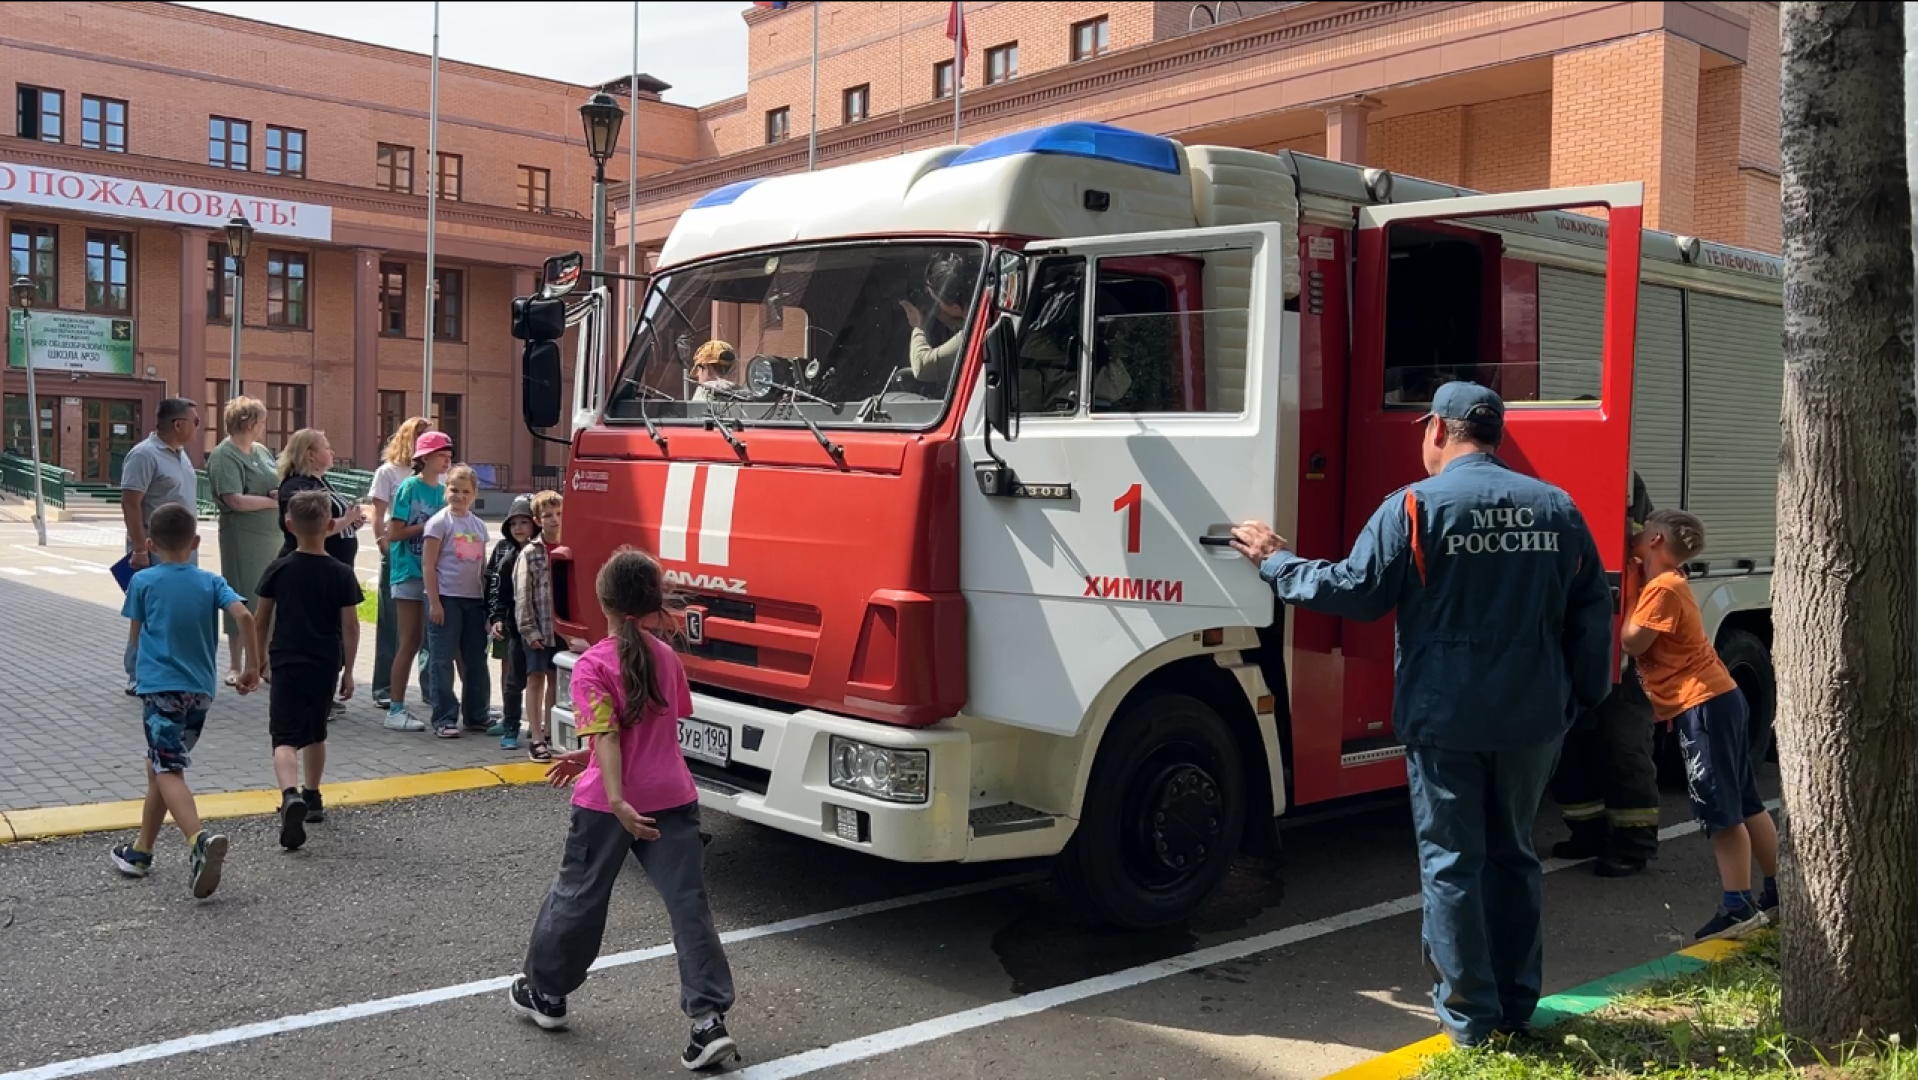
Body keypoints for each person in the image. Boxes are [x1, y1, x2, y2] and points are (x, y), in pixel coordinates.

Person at [1228, 381, 1613, 1047]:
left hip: (1446, 719)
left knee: (1452, 862)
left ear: (1438, 430)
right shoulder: (1556, 507)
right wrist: (1580, 699)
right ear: (1492, 435)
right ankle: (1519, 1007)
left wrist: (1276, 562)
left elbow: (1354, 591)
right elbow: (1592, 615)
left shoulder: (1412, 507)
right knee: (1513, 855)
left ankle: (1470, 1021)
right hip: (1533, 720)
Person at [509, 548, 739, 1072]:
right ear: (652, 601)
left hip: (608, 805)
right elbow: (652, 730)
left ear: (603, 600)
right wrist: (587, 753)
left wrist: (616, 799)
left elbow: (612, 739)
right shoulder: (666, 657)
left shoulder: (593, 665)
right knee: (689, 907)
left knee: (578, 897)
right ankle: (707, 1022)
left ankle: (546, 993)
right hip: (673, 800)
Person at [1621, 509, 1780, 941]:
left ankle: (1737, 905)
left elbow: (1632, 640)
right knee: (1745, 798)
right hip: (1719, 699)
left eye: (1642, 529)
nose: (1634, 534)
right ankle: (1778, 889)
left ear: (1656, 541)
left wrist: (1630, 591)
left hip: (1704, 705)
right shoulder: (1669, 583)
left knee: (1720, 807)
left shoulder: (1664, 588)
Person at [111, 503, 260, 898]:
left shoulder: (143, 582)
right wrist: (253, 667)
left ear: (150, 544)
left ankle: (198, 841)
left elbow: (135, 637)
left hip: (161, 688)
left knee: (167, 769)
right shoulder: (210, 581)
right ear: (195, 542)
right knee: (159, 765)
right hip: (200, 692)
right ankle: (141, 851)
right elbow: (245, 617)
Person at [1549, 473, 1662, 876]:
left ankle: (1634, 844)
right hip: (1572, 635)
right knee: (1570, 743)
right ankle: (1587, 830)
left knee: (1622, 743)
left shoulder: (1622, 481)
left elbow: (1643, 546)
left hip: (1621, 639)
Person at [255, 490, 364, 851]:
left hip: (286, 658)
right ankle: (313, 796)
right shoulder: (342, 573)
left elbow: (261, 619)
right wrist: (349, 670)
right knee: (316, 732)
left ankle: (289, 795)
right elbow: (350, 626)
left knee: (284, 736)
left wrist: (259, 659)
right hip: (325, 661)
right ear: (331, 526)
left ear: (289, 525)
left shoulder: (279, 567)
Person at [119, 397, 203, 695]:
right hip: (154, 550)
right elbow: (131, 503)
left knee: (176, 611)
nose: (198, 427)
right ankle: (138, 674)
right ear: (177, 424)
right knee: (147, 612)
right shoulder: (144, 455)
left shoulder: (181, 455)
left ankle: (170, 671)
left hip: (184, 550)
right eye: (195, 421)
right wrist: (140, 548)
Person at [205, 396, 280, 687]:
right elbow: (234, 499)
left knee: (268, 600)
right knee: (242, 596)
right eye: (261, 420)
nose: (264, 426)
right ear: (248, 422)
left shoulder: (260, 451)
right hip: (242, 538)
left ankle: (264, 661)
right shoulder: (225, 455)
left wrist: (278, 493)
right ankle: (237, 664)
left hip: (271, 538)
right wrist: (272, 503)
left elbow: (274, 482)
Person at [384, 429, 453, 731]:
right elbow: (394, 533)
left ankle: (453, 706)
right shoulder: (409, 488)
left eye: (449, 454)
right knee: (409, 641)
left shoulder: (445, 491)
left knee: (443, 644)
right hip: (409, 572)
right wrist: (429, 527)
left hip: (438, 576)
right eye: (441, 453)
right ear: (424, 458)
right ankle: (395, 708)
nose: (447, 458)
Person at [422, 464, 492, 738]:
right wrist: (435, 602)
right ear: (445, 490)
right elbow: (428, 565)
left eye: (465, 491)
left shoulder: (479, 526)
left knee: (476, 659)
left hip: (473, 601)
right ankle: (444, 717)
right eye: (454, 489)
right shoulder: (439, 523)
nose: (459, 496)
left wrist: (487, 606)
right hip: (446, 600)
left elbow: (483, 567)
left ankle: (477, 714)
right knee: (442, 659)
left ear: (474, 494)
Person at [370, 416, 434, 711]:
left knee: (426, 631)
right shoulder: (389, 473)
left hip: (428, 561)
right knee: (393, 627)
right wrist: (384, 545)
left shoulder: (436, 476)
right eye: (421, 435)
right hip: (399, 557)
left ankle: (429, 687)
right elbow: (378, 513)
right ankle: (384, 687)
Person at [514, 490, 564, 762]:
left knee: (556, 679)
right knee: (535, 679)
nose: (555, 520)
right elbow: (522, 595)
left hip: (562, 629)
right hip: (537, 627)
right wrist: (529, 630)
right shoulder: (530, 553)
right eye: (548, 516)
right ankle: (535, 736)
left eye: (558, 514)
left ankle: (550, 730)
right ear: (537, 520)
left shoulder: (570, 547)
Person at [487, 495, 538, 752]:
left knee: (540, 678)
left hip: (542, 631)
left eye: (524, 522)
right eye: (514, 523)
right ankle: (510, 726)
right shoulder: (507, 558)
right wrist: (496, 618)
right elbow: (500, 594)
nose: (519, 528)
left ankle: (540, 726)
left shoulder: (543, 553)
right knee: (513, 681)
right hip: (516, 631)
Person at [274, 429, 364, 565]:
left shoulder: (320, 480)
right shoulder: (298, 486)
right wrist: (346, 520)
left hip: (336, 564)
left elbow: (333, 518)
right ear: (311, 455)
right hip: (310, 565)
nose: (332, 453)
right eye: (327, 448)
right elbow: (311, 529)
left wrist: (350, 524)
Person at [897, 253, 974, 383]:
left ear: (955, 308)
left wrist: (918, 327)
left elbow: (923, 367)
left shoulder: (974, 332)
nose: (936, 307)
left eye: (938, 302)